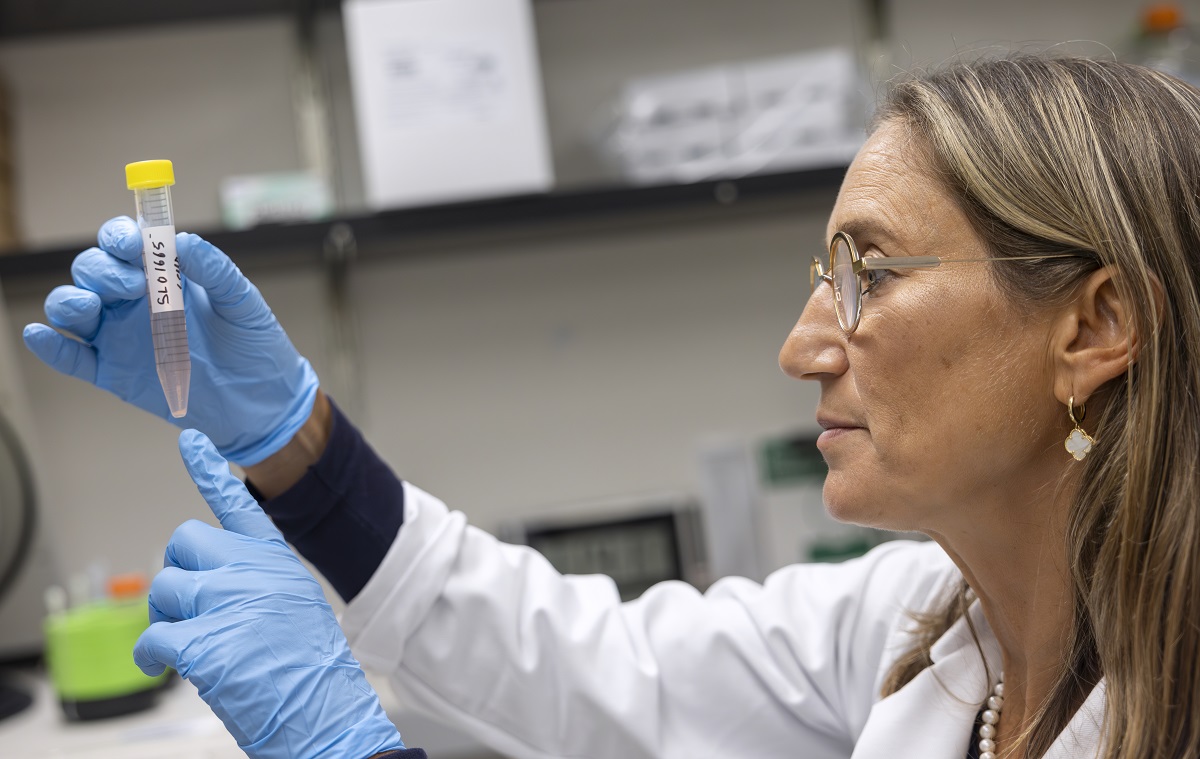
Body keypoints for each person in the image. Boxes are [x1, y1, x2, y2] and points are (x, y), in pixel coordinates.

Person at [23, 53, 1200, 759]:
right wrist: (286, 438)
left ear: (1094, 328)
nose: (803, 349)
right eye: (818, 281)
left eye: (870, 275)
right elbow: (589, 673)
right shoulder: (926, 627)